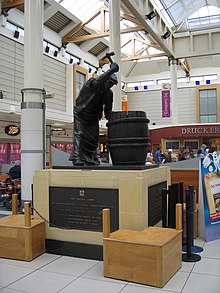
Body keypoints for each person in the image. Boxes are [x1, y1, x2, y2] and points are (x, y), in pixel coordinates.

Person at [69, 61, 119, 166]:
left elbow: (108, 110)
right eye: (109, 83)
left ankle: (91, 158)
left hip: (94, 116)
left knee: (94, 137)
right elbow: (97, 82)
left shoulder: (108, 93)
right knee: (80, 134)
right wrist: (111, 70)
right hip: (81, 113)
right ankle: (77, 157)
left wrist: (112, 122)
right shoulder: (92, 83)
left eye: (112, 85)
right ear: (105, 79)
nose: (110, 86)